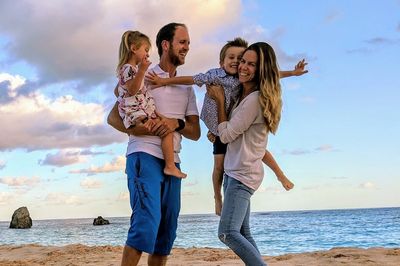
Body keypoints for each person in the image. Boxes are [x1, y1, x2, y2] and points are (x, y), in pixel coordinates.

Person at [147, 37, 305, 215]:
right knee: (219, 167)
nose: (237, 62)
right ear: (221, 62)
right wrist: (163, 82)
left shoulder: (242, 78)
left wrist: (293, 73)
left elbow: (269, 74)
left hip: (230, 125)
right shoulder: (214, 75)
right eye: (232, 58)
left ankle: (280, 175)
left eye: (240, 59)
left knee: (259, 150)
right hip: (217, 127)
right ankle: (217, 197)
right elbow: (191, 79)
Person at [107, 23, 200, 266]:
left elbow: (195, 131)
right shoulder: (143, 74)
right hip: (143, 154)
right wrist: (139, 128)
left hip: (173, 162)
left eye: (188, 43)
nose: (187, 47)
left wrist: (174, 123)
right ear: (165, 44)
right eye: (182, 42)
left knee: (165, 234)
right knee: (145, 225)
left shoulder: (186, 87)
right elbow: (114, 117)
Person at [207, 42, 294, 265]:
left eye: (251, 64)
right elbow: (236, 137)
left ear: (261, 69)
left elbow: (225, 135)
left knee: (227, 233)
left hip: (241, 174)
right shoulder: (247, 97)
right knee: (243, 232)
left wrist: (218, 102)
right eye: (243, 61)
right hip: (237, 171)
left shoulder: (253, 101)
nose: (243, 66)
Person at [115, 30, 187, 179]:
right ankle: (170, 166)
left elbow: (118, 91)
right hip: (137, 113)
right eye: (145, 50)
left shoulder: (129, 70)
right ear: (134, 49)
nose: (147, 55)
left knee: (165, 130)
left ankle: (169, 166)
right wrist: (142, 70)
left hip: (139, 110)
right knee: (166, 131)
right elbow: (133, 90)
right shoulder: (129, 69)